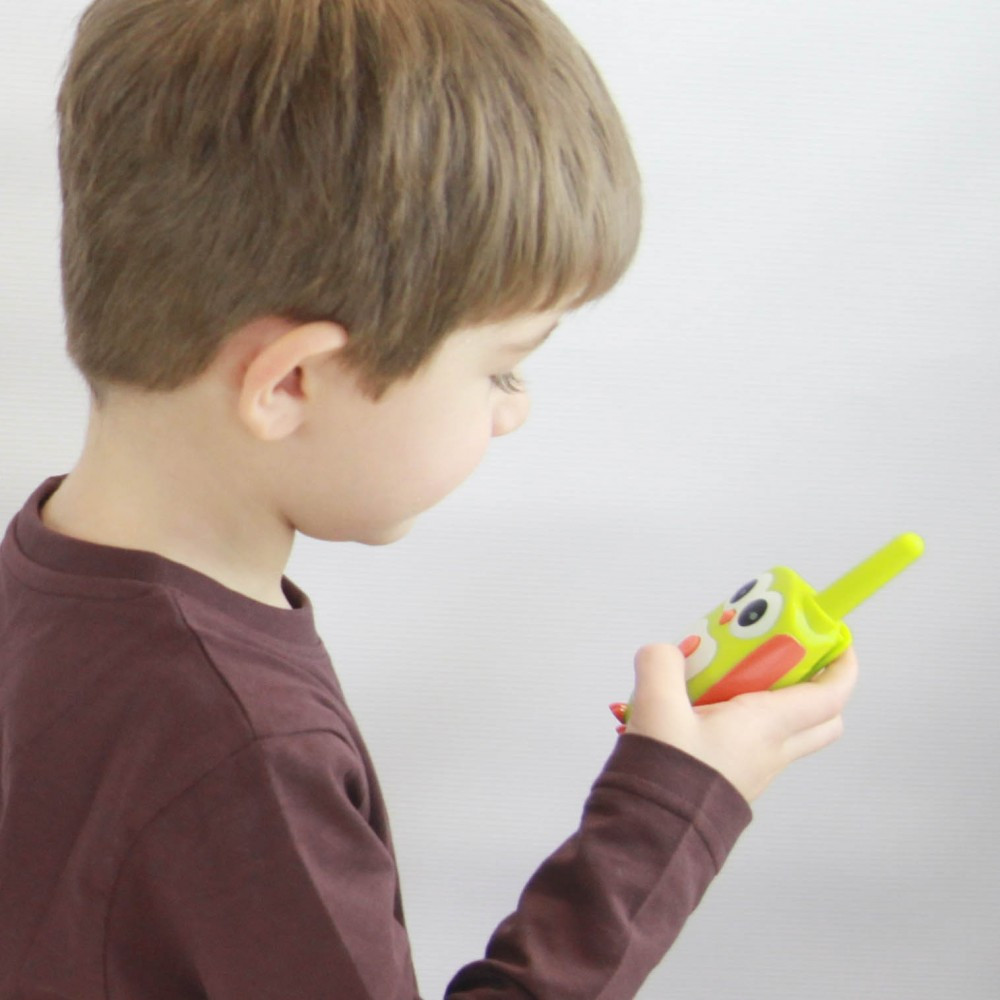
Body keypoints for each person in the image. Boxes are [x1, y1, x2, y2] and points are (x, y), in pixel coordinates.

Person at [0, 0, 858, 996]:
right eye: (501, 370)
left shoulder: (45, 592)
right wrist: (669, 813)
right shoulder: (242, 747)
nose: (515, 411)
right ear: (291, 382)